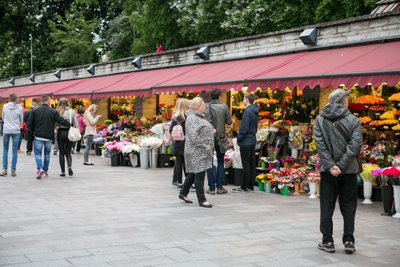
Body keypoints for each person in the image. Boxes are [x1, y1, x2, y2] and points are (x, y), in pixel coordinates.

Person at [313, 88, 362, 254]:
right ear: (342, 101)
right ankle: (349, 241)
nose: (348, 101)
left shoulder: (319, 119)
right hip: (348, 172)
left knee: (326, 205)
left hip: (328, 172)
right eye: (347, 99)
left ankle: (327, 241)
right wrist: (341, 165)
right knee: (349, 206)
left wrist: (331, 165)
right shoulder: (353, 120)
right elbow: (355, 145)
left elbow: (320, 145)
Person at [179, 97, 214, 208]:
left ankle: (183, 193)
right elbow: (194, 136)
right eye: (203, 105)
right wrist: (205, 146)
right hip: (197, 151)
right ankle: (202, 199)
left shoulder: (198, 117)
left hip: (200, 150)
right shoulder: (192, 118)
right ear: (198, 107)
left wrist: (210, 131)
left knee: (194, 173)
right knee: (200, 174)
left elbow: (200, 130)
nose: (205, 107)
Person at [27, 95, 70, 179]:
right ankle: (45, 171)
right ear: (48, 101)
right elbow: (60, 120)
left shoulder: (35, 111)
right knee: (47, 154)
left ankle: (39, 169)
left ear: (41, 101)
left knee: (38, 154)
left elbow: (30, 124)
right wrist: (69, 124)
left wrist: (30, 135)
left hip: (38, 135)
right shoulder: (53, 111)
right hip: (49, 136)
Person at [204, 88, 232, 195]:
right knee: (220, 162)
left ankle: (211, 188)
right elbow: (229, 121)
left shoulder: (206, 107)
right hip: (220, 137)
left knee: (209, 162)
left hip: (209, 137)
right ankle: (220, 187)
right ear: (220, 96)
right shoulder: (224, 106)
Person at [233, 93, 259, 192]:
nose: (243, 101)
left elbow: (244, 127)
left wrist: (239, 137)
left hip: (246, 140)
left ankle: (244, 186)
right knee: (252, 164)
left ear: (247, 100)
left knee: (246, 164)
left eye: (243, 99)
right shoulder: (255, 110)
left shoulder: (248, 111)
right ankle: (250, 185)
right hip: (252, 139)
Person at [1, 93, 23, 177]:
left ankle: (4, 169)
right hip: (16, 130)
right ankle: (13, 170)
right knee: (14, 151)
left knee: (5, 150)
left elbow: (3, 118)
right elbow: (21, 120)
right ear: (16, 99)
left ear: (10, 99)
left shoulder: (5, 106)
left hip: (6, 129)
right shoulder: (20, 108)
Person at [170, 98, 190, 187]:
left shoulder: (175, 117)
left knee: (178, 163)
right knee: (186, 163)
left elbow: (171, 130)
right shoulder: (188, 117)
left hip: (177, 143)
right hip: (186, 142)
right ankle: (188, 180)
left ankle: (179, 181)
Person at [56, 98, 79, 177]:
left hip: (60, 132)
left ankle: (63, 172)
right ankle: (69, 167)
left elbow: (55, 123)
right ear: (67, 103)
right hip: (69, 133)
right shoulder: (72, 111)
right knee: (68, 152)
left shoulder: (57, 111)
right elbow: (76, 123)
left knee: (61, 153)